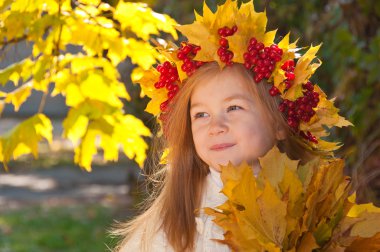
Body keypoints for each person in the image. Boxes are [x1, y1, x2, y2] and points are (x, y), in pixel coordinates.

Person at [112, 0, 348, 251]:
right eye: (201, 115)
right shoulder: (174, 220)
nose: (216, 126)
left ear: (280, 122)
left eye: (233, 108)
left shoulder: (311, 204)